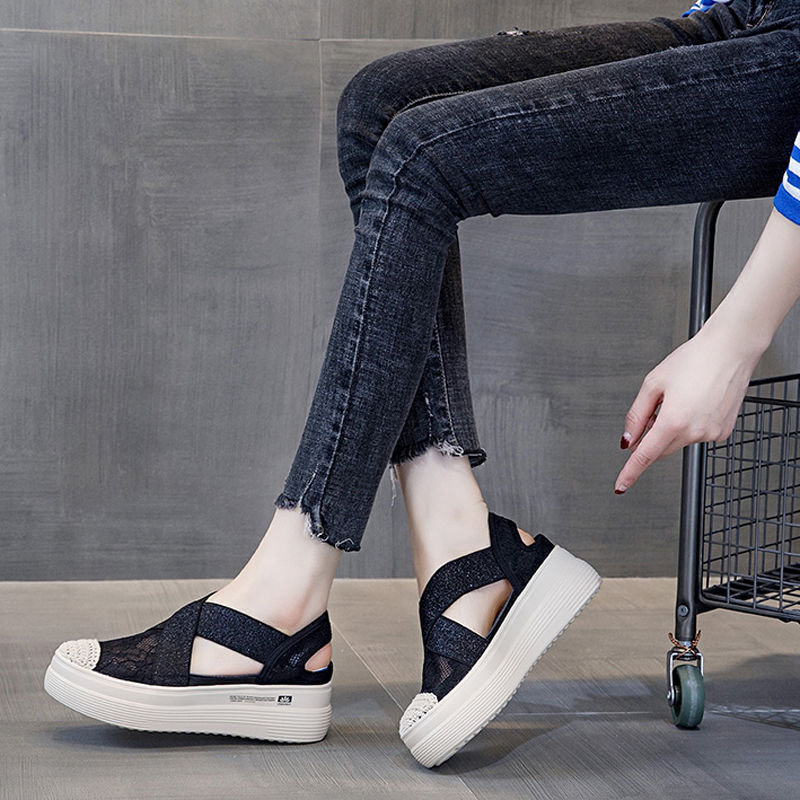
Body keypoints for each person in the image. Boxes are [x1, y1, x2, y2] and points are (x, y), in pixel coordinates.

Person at [43, 0, 800, 769]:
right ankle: (462, 542)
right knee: (378, 108)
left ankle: (286, 592)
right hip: (744, 15)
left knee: (421, 154)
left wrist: (738, 334)